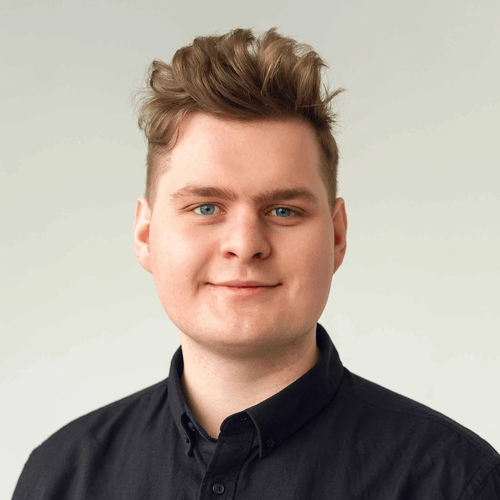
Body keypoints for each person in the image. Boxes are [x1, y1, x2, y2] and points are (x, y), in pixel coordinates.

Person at [13, 28, 500, 500]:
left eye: (283, 211)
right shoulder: (59, 476)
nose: (245, 245)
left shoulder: (455, 482)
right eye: (206, 207)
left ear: (336, 236)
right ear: (145, 234)